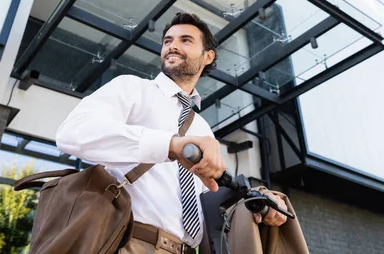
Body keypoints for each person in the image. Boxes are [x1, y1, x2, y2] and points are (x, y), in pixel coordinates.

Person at [56, 13, 288, 254]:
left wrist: (261, 200)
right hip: (131, 242)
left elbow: (210, 199)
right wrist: (170, 145)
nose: (172, 46)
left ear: (208, 56)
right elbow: (72, 132)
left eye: (186, 40)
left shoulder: (203, 129)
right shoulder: (133, 88)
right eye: (168, 41)